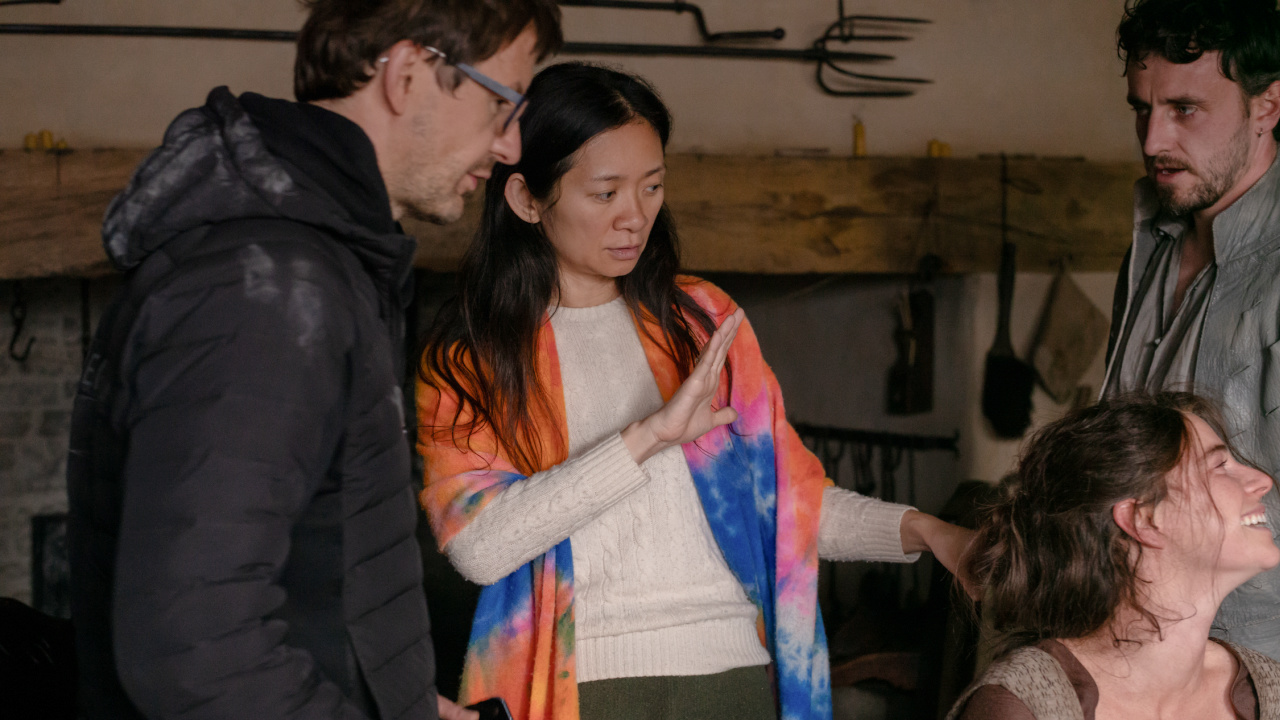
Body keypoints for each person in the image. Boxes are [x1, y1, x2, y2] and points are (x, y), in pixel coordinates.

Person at [415, 62, 973, 720]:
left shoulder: (703, 322)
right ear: (526, 199)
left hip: (732, 679)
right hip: (582, 691)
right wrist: (646, 437)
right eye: (605, 194)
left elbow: (789, 505)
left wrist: (926, 532)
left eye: (652, 187)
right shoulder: (471, 359)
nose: (635, 217)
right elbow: (480, 548)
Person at [64, 2, 562, 719]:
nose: (511, 144)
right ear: (410, 74)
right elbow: (197, 650)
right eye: (501, 103)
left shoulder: (323, 263)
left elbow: (320, 573)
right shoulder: (265, 287)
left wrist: (397, 701)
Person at [1101, 0, 1280, 660]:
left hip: (1257, 660)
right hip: (1135, 637)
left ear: (1267, 106)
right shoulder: (1154, 236)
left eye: (1185, 109)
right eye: (1140, 109)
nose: (1152, 141)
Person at [947, 393, 1280, 719]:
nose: (1263, 481)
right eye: (1220, 466)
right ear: (1144, 519)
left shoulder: (1270, 691)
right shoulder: (1024, 706)